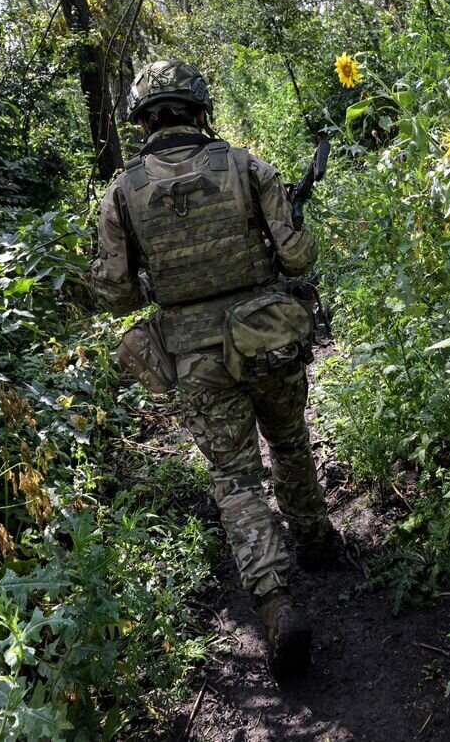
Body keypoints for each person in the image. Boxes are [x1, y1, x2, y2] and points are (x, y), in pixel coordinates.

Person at [90, 59, 340, 677]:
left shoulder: (121, 195)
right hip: (268, 338)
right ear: (201, 112)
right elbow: (300, 257)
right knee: (288, 441)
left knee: (235, 479)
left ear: (143, 121)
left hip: (195, 358)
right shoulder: (248, 167)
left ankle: (277, 603)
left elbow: (116, 296)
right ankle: (313, 541)